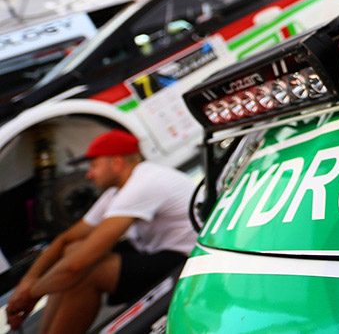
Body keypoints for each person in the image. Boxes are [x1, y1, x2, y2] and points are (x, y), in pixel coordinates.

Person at [5, 130, 196, 334]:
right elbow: (65, 240)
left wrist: (30, 296)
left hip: (188, 259)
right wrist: (27, 283)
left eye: (94, 165)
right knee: (73, 250)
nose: (89, 174)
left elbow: (77, 266)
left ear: (116, 162)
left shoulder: (144, 184)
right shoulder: (119, 189)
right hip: (156, 250)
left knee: (89, 271)